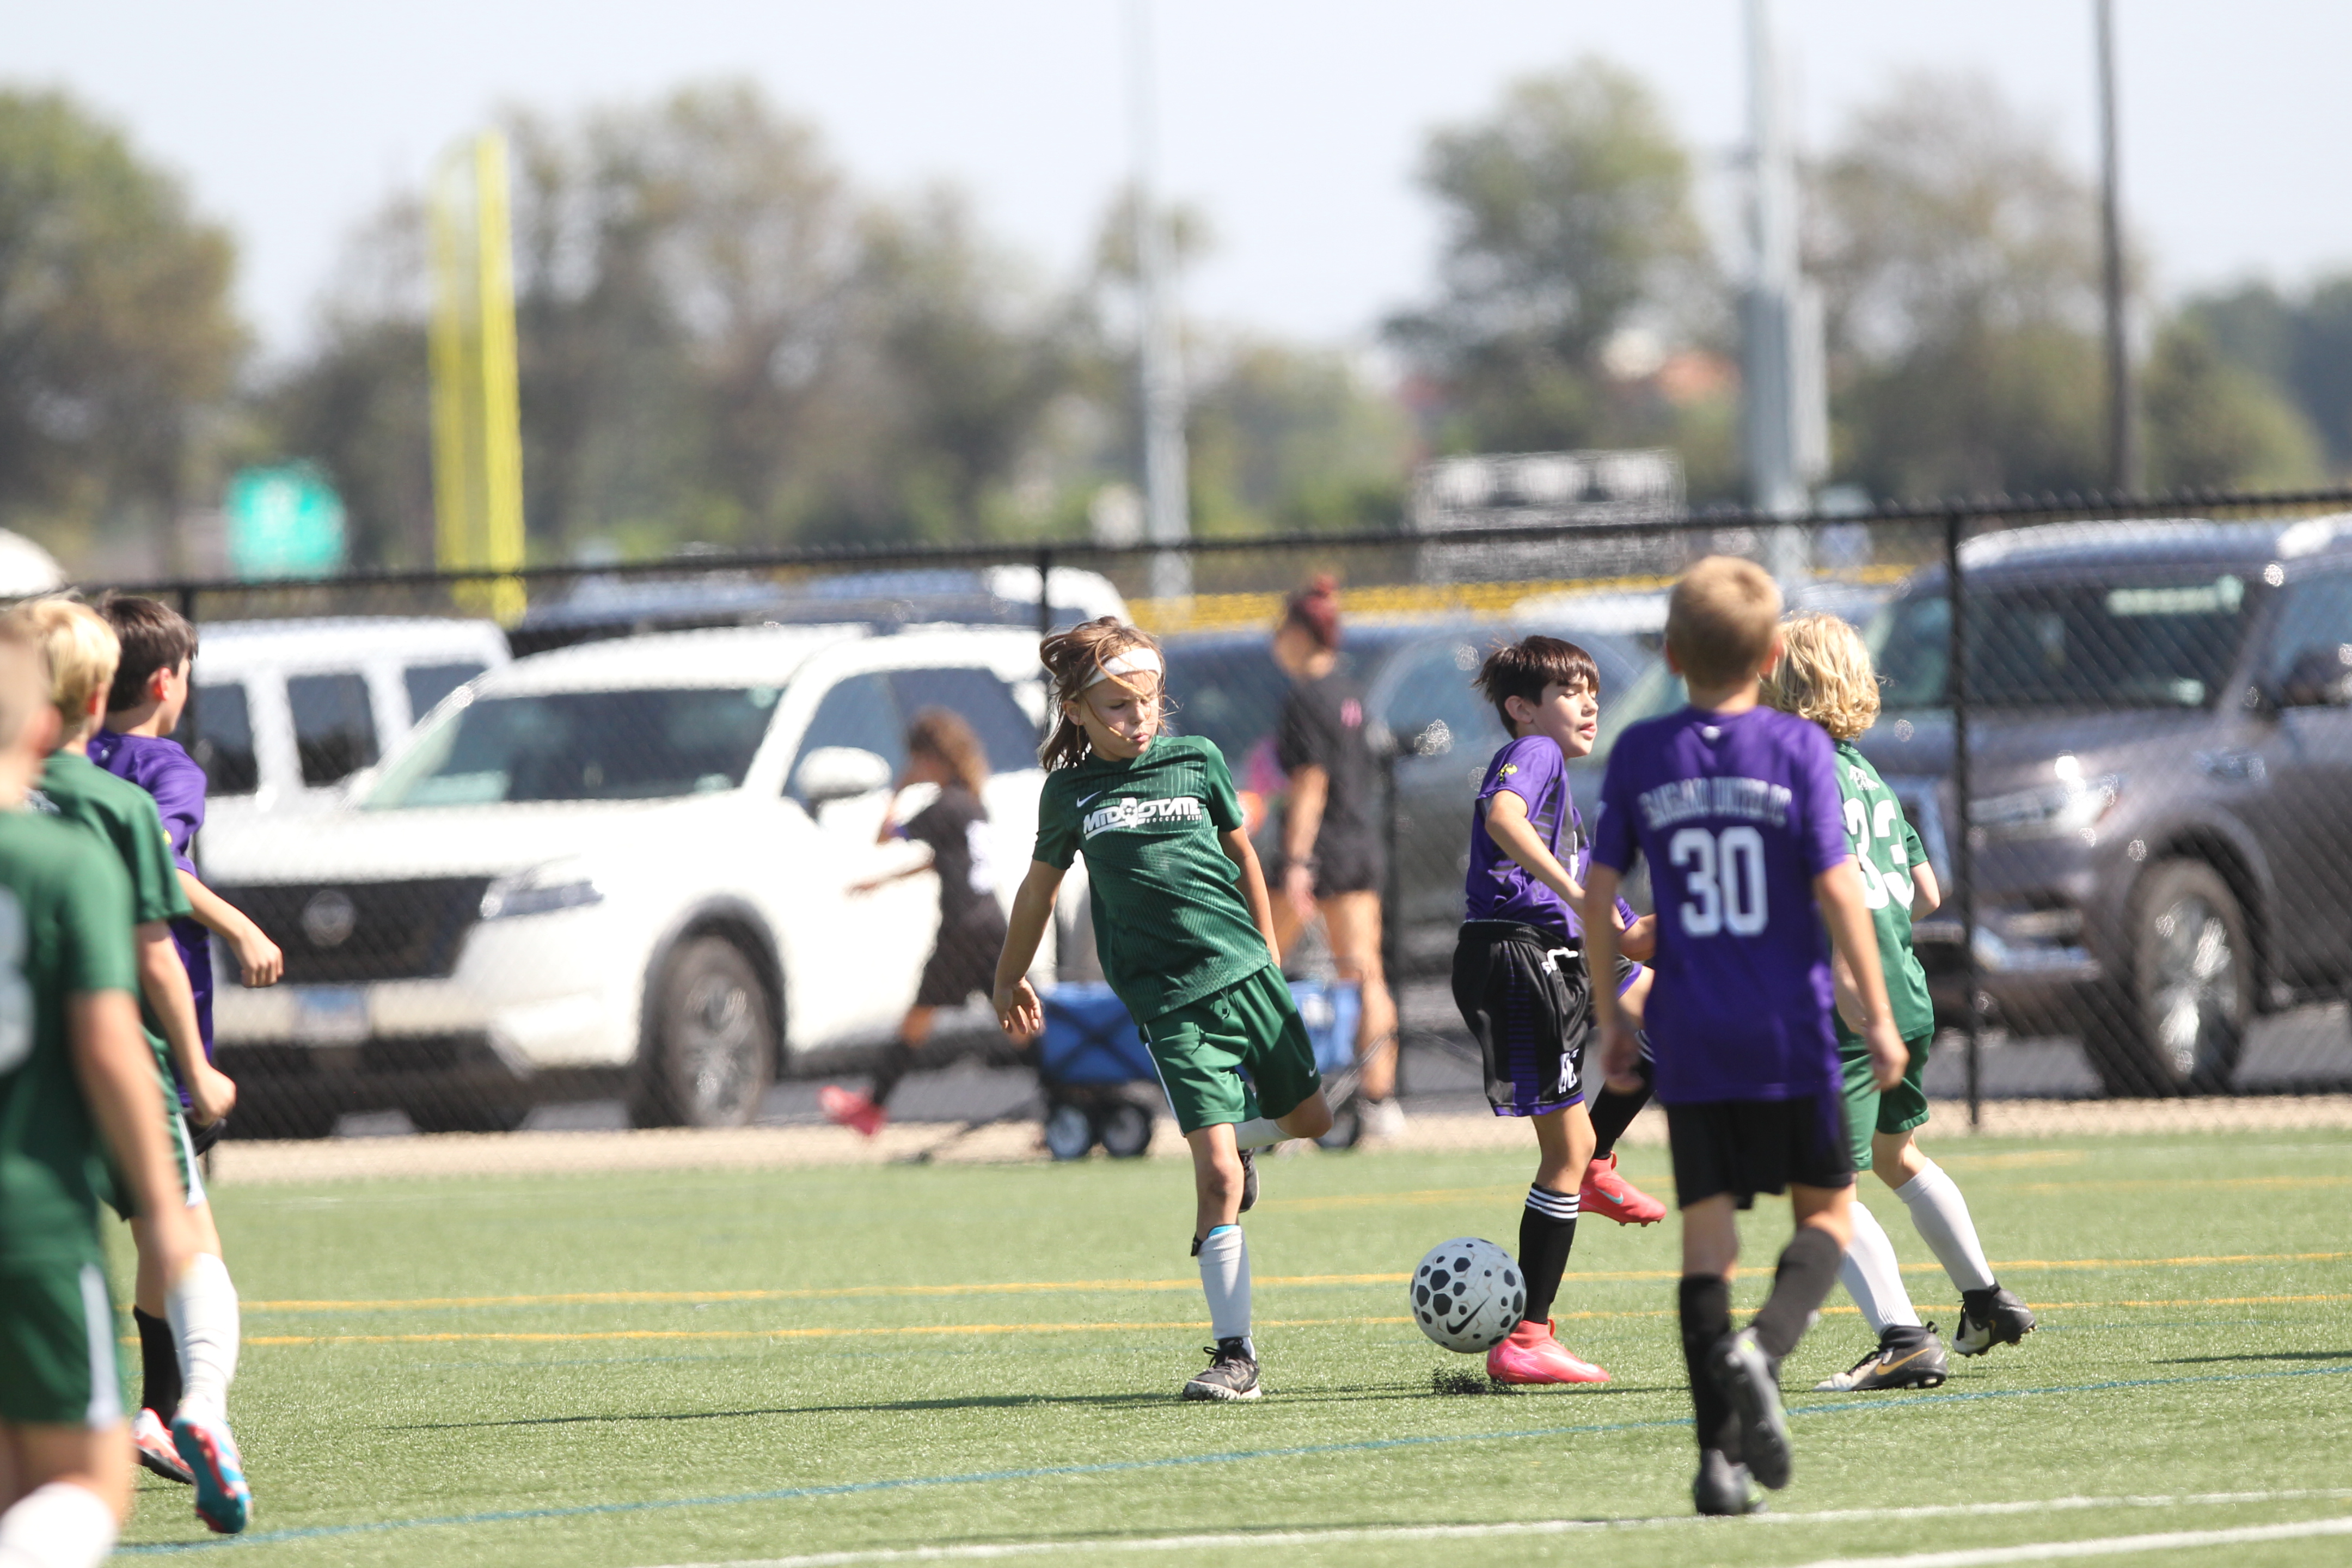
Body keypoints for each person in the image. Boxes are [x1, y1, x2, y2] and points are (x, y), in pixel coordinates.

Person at [1583, 556, 1906, 1517]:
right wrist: (1878, 1010)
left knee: (1708, 1247)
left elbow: (1599, 896)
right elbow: (1838, 887)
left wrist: (1611, 1016)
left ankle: (1716, 1468)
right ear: (1771, 658)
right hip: (1791, 1030)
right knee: (1828, 1218)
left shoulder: (1643, 751)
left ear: (1671, 654)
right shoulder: (1798, 749)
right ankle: (1761, 1351)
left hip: (1692, 1034)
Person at [994, 617, 1333, 1401]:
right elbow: (1039, 891)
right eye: (1117, 706)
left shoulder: (1198, 760)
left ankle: (1239, 1142)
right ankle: (1236, 1357)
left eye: (1147, 701)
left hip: (1248, 975)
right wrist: (1009, 976)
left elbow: (1243, 855)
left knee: (1311, 1120)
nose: (1138, 717)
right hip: (1171, 1005)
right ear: (1076, 710)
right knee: (1214, 1175)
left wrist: (1269, 951)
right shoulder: (1071, 794)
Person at [9, 600, 250, 1534]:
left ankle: (158, 1408)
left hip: (21, 1108)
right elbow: (147, 956)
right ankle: (201, 1409)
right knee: (183, 1238)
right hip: (122, 1068)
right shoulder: (123, 801)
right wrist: (196, 1066)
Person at [1762, 612, 2036, 1392]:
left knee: (1823, 1183)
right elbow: (1926, 891)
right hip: (1905, 991)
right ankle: (1986, 1300)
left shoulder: (1793, 773)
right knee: (1896, 1156)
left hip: (1848, 1004)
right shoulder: (1866, 773)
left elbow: (1831, 884)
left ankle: (1903, 1338)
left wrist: (1841, 971)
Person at [1451, 636, 1667, 1387]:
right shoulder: (1535, 753)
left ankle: (1596, 1163)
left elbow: (1633, 939)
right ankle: (1526, 1338)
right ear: (1523, 709)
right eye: (1571, 692)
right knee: (1563, 1152)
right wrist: (1576, 893)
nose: (1589, 704)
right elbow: (1502, 818)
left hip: (1557, 953)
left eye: (1593, 691)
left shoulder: (1568, 813)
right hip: (1519, 956)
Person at [89, 593, 286, 1110]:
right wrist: (241, 929)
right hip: (148, 997)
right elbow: (152, 863)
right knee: (169, 1146)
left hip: (70, 986)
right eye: (186, 676)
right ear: (164, 683)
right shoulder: (167, 769)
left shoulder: (66, 756)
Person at [822, 708, 1013, 1137]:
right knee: (1014, 1021)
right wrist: (883, 882)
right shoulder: (970, 803)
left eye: (917, 759)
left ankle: (873, 1107)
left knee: (922, 1017)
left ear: (930, 759)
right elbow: (945, 860)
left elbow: (885, 835)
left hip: (962, 929)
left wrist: (899, 789)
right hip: (990, 924)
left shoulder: (942, 807)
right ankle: (1064, 1097)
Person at [1267, 577, 1402, 1137]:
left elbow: (1311, 783)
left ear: (1300, 634)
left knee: (1258, 967)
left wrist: (1296, 862)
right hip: (1358, 846)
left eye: (1280, 627)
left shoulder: (1305, 698)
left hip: (1323, 852)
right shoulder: (1350, 691)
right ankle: (1379, 1100)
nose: (1275, 639)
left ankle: (1263, 1092)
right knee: (1365, 972)